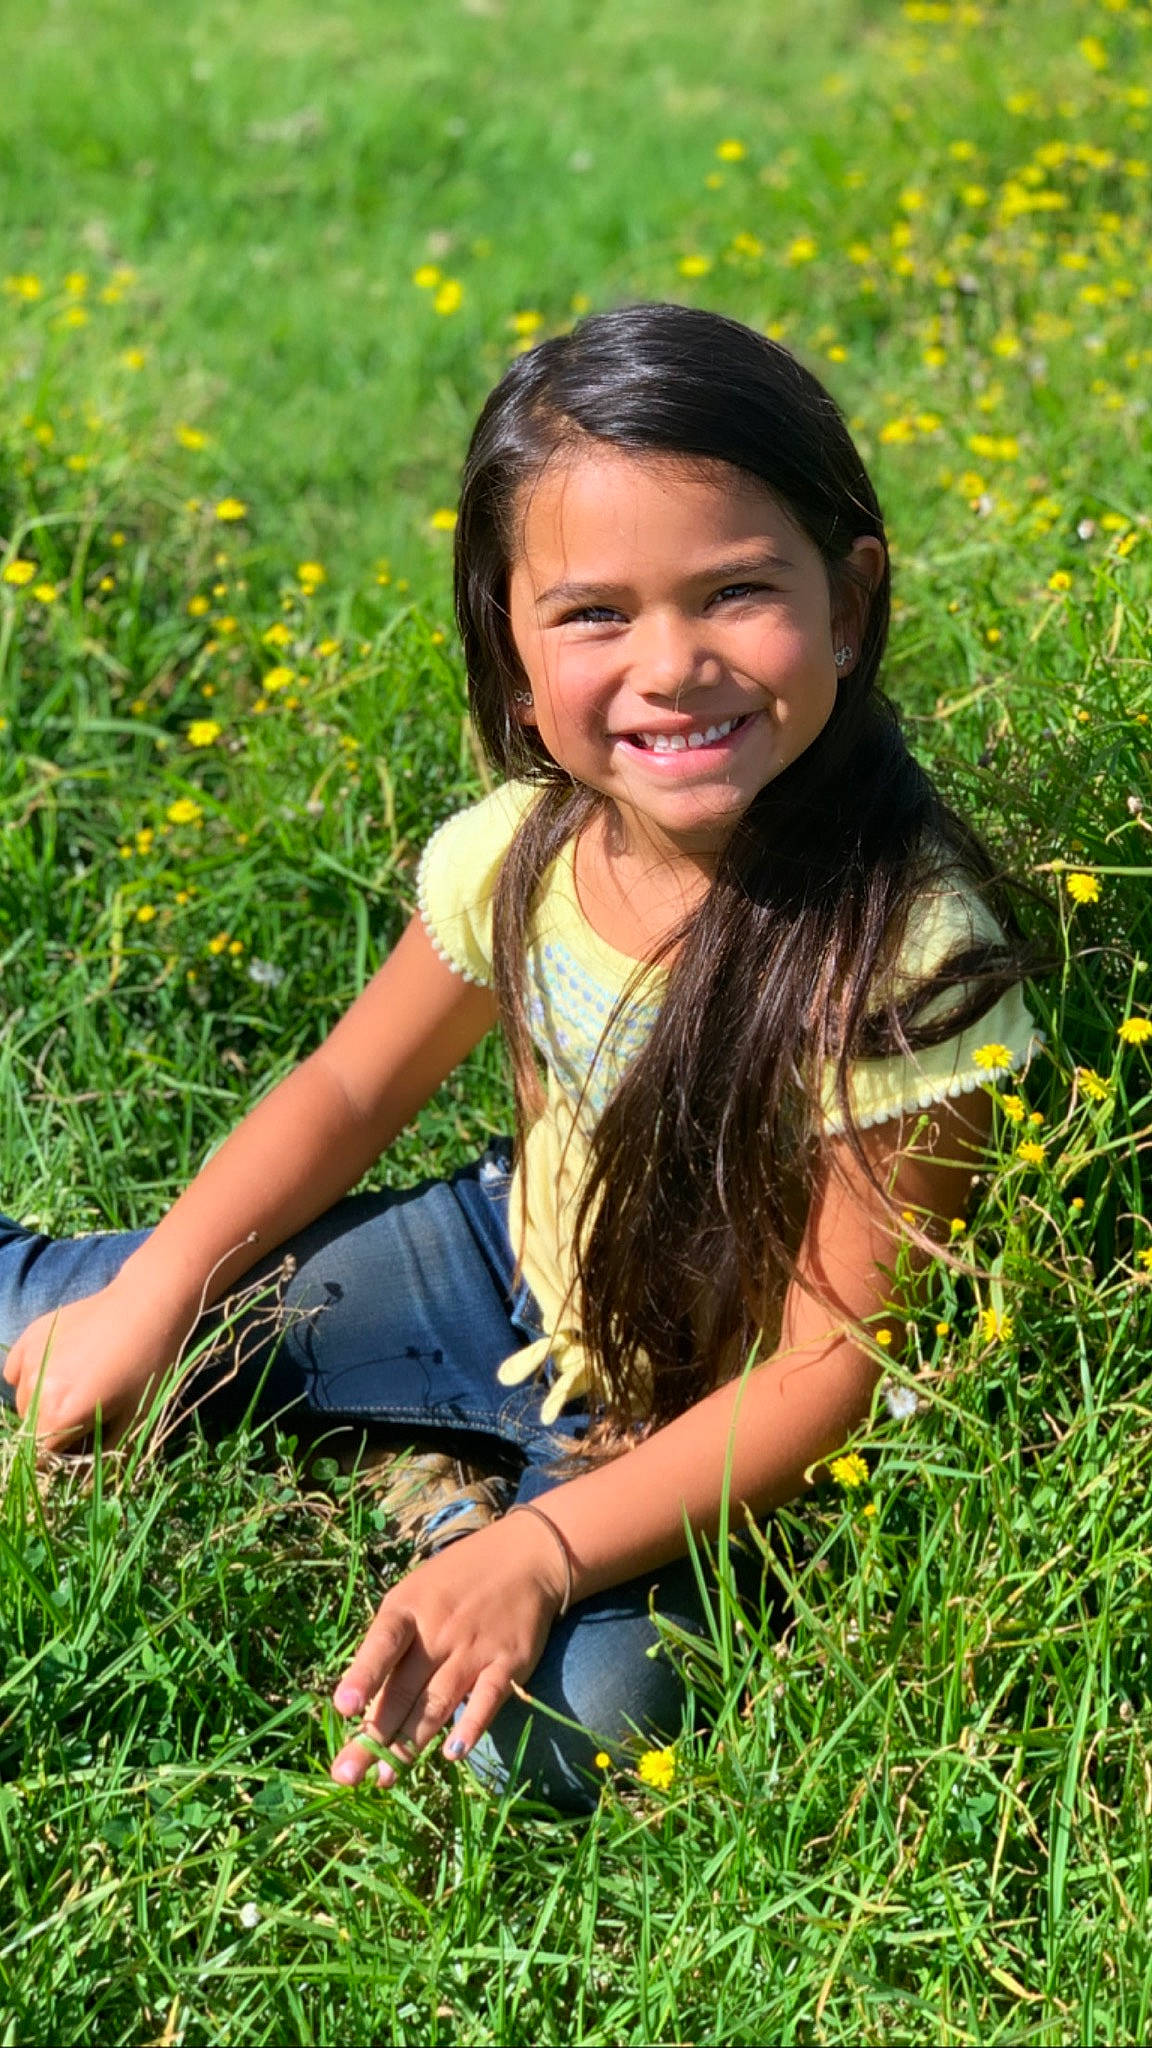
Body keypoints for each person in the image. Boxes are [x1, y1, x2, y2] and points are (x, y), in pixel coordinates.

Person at [0, 303, 1037, 1813]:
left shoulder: (904, 958)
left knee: (564, 1729)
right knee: (59, 1328)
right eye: (595, 614)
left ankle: (455, 1513)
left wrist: (547, 1549)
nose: (673, 666)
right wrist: (152, 1303)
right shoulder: (519, 855)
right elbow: (349, 1092)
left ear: (851, 599)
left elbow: (831, 1370)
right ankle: (421, 1474)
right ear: (508, 636)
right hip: (505, 1272)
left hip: (701, 1428)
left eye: (740, 591)